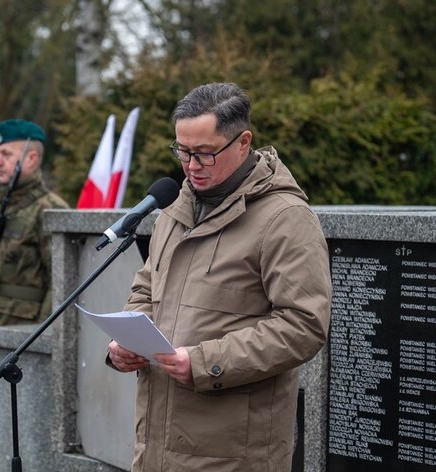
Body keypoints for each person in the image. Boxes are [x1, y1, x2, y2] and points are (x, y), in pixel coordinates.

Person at [107, 83, 332, 471]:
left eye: (205, 153)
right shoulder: (176, 208)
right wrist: (127, 341)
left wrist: (205, 362)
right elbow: (147, 287)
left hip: (233, 455)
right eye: (182, 151)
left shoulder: (285, 218)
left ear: (243, 142)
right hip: (157, 448)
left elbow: (304, 325)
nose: (191, 165)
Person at [0, 119, 69, 376]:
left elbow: (60, 282)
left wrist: (39, 339)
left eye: (6, 154)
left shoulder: (49, 210)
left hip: (23, 344)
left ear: (31, 159)